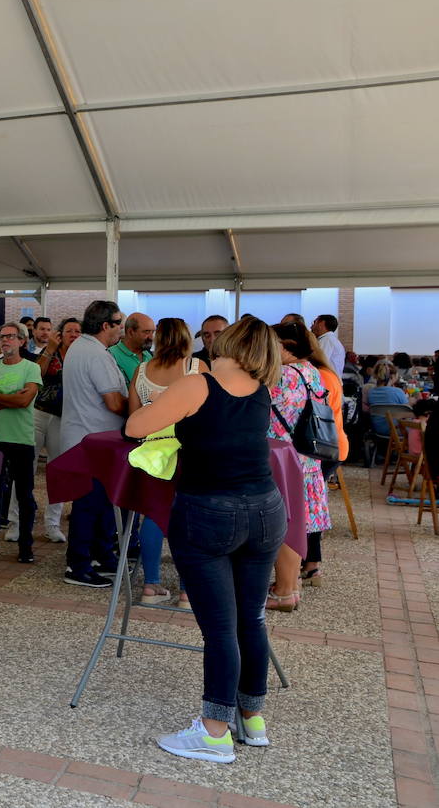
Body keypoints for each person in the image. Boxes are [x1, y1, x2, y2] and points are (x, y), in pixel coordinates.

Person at [126, 316, 285, 764]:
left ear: (229, 342)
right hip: (265, 509)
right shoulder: (261, 388)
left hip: (210, 512)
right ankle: (251, 719)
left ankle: (214, 732)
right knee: (250, 619)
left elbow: (135, 426)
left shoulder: (199, 384)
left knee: (219, 629)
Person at [127, 318, 202, 605]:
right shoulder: (195, 369)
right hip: (188, 452)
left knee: (153, 515)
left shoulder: (142, 370)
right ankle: (186, 590)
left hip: (151, 452)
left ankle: (151, 585)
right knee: (189, 517)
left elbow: (133, 416)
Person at [59, 301, 127, 588]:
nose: (122, 329)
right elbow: (113, 402)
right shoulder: (95, 354)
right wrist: (141, 409)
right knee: (89, 505)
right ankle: (78, 565)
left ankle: (100, 555)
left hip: (87, 437)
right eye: (119, 324)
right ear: (105, 326)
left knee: (98, 504)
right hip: (92, 440)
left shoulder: (82, 347)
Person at [263, 322, 329, 613]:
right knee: (296, 523)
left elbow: (268, 416)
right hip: (308, 458)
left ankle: (284, 591)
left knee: (285, 526)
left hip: (285, 459)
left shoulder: (285, 375)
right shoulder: (312, 371)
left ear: (285, 346)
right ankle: (291, 585)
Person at [0, 323, 42, 563]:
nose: (5, 340)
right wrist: (10, 398)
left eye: (10, 336)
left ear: (22, 341)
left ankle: (25, 546)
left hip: (21, 440)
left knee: (25, 494)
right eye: (1, 336)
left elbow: (25, 400)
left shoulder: (31, 368)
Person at [31, 317, 82, 543]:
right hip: (39, 412)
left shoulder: (81, 356)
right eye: (69, 331)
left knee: (57, 470)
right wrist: (50, 348)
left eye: (78, 331)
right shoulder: (49, 352)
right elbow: (37, 374)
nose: (73, 334)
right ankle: (17, 520)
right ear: (60, 334)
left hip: (64, 417)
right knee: (27, 467)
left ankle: (52, 524)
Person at [110, 312, 154, 385]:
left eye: (152, 332)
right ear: (130, 332)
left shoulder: (148, 355)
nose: (151, 337)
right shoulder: (111, 355)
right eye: (146, 332)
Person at [367, 361, 409, 434]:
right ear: (392, 376)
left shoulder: (371, 392)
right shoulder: (398, 391)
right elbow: (407, 412)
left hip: (378, 430)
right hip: (397, 431)